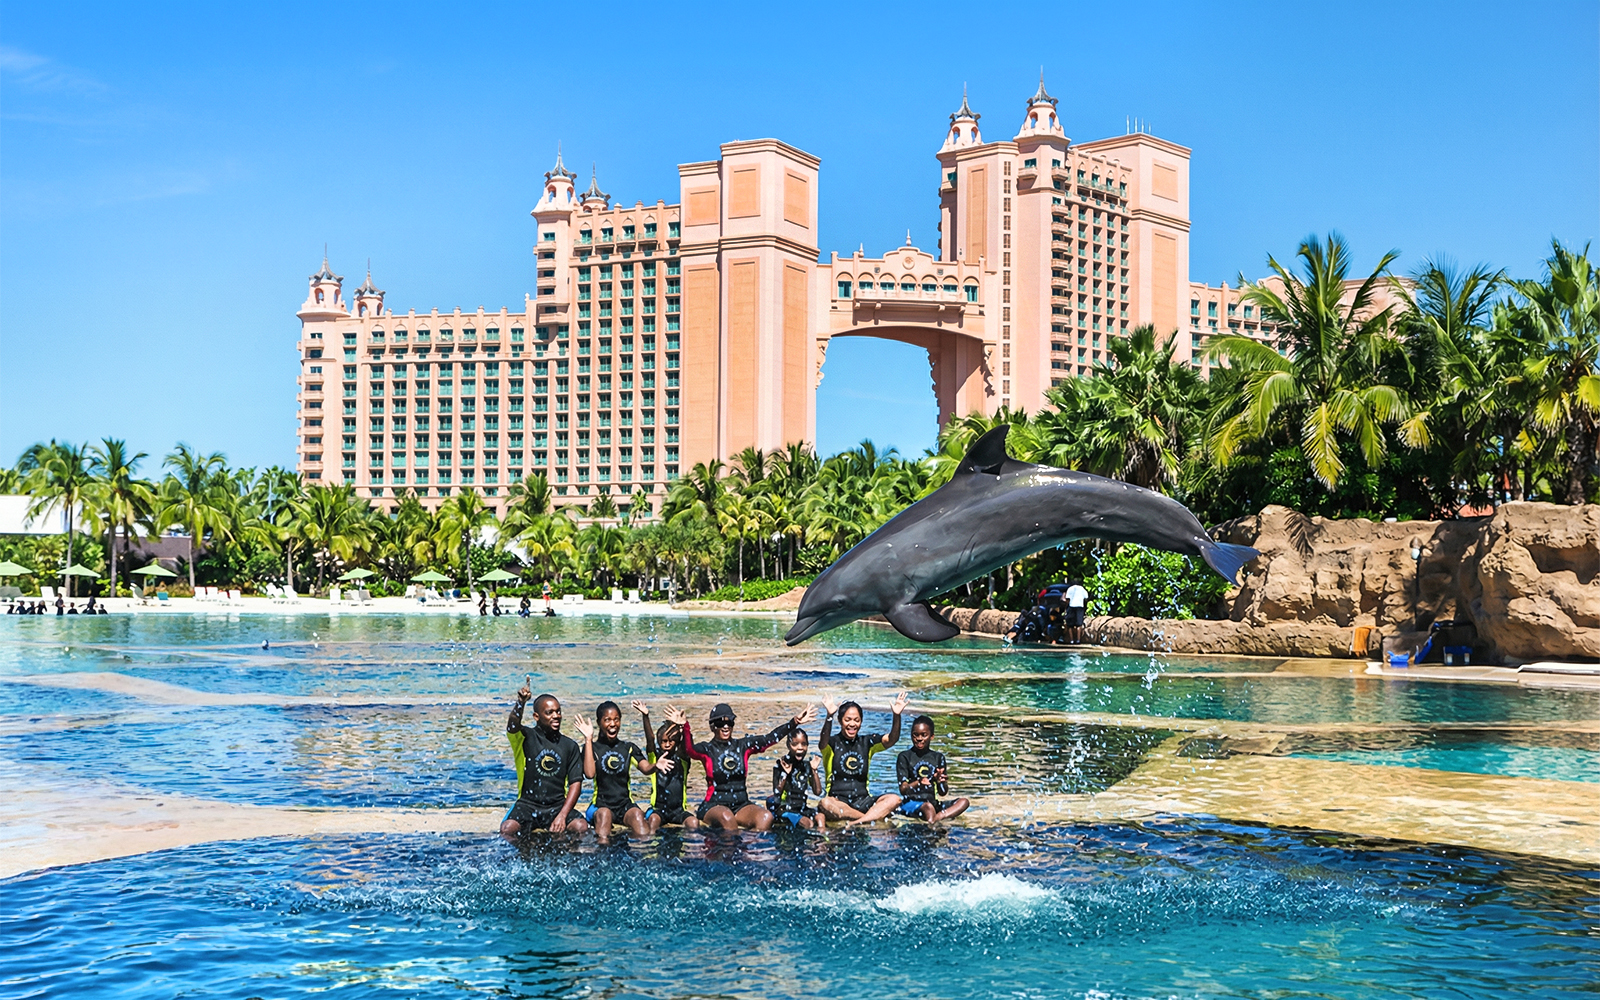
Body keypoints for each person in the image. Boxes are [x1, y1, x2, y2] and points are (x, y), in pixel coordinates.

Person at [674, 700, 817, 831]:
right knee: (726, 816)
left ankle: (752, 854)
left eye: (729, 722)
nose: (725, 726)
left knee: (766, 817)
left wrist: (794, 722)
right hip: (713, 805)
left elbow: (770, 738)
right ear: (712, 727)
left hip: (741, 805)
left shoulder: (743, 746)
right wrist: (684, 726)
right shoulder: (707, 749)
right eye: (719, 723)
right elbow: (689, 750)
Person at [500, 680, 589, 841]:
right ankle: (521, 858)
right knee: (508, 829)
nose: (556, 716)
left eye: (558, 711)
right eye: (549, 713)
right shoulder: (525, 737)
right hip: (527, 804)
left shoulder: (570, 745)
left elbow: (576, 784)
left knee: (581, 826)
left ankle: (570, 860)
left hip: (556, 806)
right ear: (536, 716)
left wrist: (562, 815)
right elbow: (512, 726)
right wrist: (520, 702)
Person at [573, 700, 663, 844]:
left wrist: (656, 766)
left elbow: (646, 768)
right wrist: (588, 739)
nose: (613, 724)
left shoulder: (628, 748)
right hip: (599, 806)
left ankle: (644, 859)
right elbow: (589, 774)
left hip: (624, 805)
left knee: (638, 816)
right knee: (605, 815)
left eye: (616, 719)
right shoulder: (592, 748)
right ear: (599, 722)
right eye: (607, 720)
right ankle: (602, 860)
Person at [817, 692, 909, 828]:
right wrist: (829, 716)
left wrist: (897, 716)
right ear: (840, 720)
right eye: (847, 720)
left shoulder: (867, 742)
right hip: (838, 801)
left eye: (856, 720)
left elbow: (891, 739)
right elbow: (822, 742)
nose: (852, 724)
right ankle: (868, 818)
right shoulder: (831, 744)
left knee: (894, 799)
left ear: (861, 721)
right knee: (825, 804)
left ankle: (857, 821)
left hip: (863, 800)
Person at [895, 715, 969, 824]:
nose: (919, 738)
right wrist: (918, 782)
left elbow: (943, 792)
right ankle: (932, 830)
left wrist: (940, 782)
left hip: (932, 803)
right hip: (911, 804)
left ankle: (936, 818)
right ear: (911, 735)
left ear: (932, 736)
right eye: (916, 735)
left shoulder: (938, 757)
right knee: (928, 808)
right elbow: (903, 789)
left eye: (924, 735)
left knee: (964, 802)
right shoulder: (905, 757)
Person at [637, 701, 696, 831]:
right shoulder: (655, 757)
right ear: (659, 742)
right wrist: (645, 716)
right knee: (653, 820)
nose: (668, 744)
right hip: (658, 809)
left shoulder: (682, 759)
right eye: (664, 741)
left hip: (679, 811)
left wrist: (683, 726)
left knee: (693, 822)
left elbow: (687, 746)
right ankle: (651, 847)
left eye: (671, 741)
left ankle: (691, 850)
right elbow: (650, 739)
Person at [768, 728, 825, 831]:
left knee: (821, 817)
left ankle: (822, 842)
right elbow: (777, 792)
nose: (800, 748)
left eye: (804, 744)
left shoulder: (807, 766)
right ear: (788, 745)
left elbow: (817, 792)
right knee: (808, 823)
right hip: (785, 809)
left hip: (801, 809)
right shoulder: (781, 764)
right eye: (795, 744)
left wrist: (814, 770)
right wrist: (785, 774)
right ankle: (809, 843)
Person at [1064, 579, 1089, 644]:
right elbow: (1086, 597)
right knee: (1079, 624)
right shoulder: (1081, 588)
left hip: (1071, 606)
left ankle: (1071, 640)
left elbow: (1067, 599)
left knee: (1070, 625)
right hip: (1080, 606)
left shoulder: (1070, 588)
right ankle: (1078, 640)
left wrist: (1066, 608)